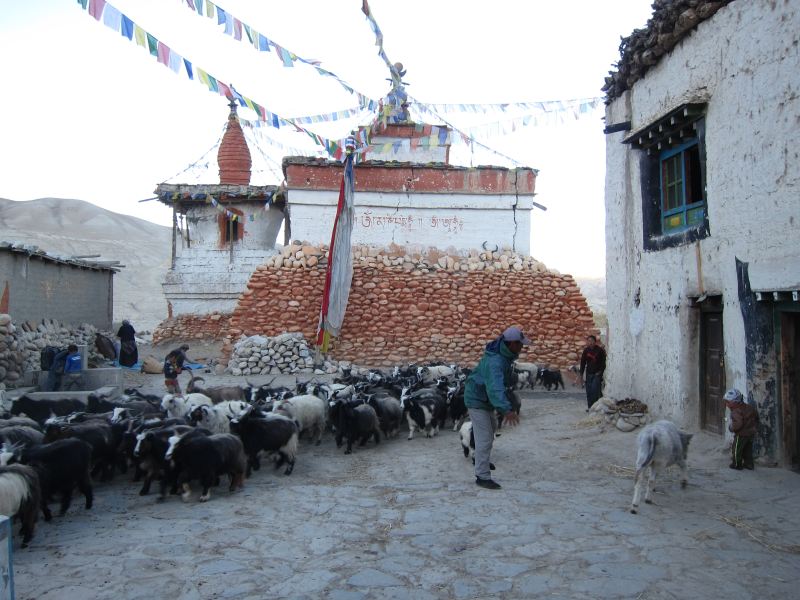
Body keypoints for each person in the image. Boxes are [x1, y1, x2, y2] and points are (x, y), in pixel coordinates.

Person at [463, 326, 526, 490]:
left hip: (484, 399)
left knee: (489, 432)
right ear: (511, 343)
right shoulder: (495, 361)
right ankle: (482, 476)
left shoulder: (502, 357)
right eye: (520, 344)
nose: (522, 347)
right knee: (484, 437)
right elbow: (495, 388)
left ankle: (479, 460)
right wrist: (507, 409)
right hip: (477, 400)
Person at [724, 388, 759, 470]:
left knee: (736, 449)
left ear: (735, 402)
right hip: (751, 433)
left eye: (728, 402)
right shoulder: (749, 407)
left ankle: (736, 464)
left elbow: (738, 423)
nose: (726, 404)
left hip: (741, 434)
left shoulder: (735, 411)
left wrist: (731, 428)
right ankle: (749, 464)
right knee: (748, 450)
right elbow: (756, 416)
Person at [579, 335, 606, 411]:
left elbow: (603, 363)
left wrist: (600, 372)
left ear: (595, 341)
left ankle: (596, 407)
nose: (590, 342)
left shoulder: (600, 350)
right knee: (589, 391)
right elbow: (583, 363)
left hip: (597, 374)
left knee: (595, 390)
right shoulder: (586, 350)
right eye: (589, 341)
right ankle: (590, 407)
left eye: (591, 341)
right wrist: (581, 374)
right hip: (589, 373)